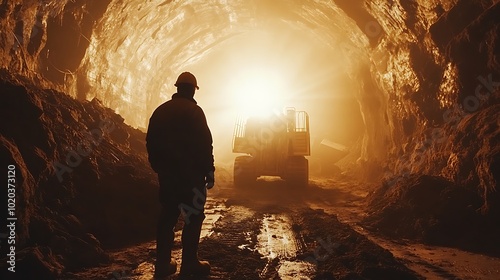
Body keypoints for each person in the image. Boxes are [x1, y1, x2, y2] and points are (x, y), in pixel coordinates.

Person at [146, 72, 215, 278]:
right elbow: (205, 145)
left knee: (167, 217)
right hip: (192, 177)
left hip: (168, 176)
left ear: (177, 88)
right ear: (193, 89)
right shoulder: (195, 112)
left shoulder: (161, 111)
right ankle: (189, 264)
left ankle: (162, 265)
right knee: (193, 217)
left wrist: (158, 166)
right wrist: (209, 171)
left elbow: (151, 141)